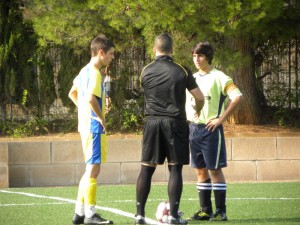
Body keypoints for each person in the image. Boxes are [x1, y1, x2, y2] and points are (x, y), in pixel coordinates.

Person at [134, 33, 205, 225]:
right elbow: (199, 97)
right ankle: (173, 216)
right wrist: (197, 112)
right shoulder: (182, 70)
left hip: (152, 123)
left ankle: (139, 215)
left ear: (154, 50)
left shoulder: (145, 70)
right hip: (175, 123)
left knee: (146, 169)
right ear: (172, 50)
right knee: (175, 169)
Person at [186, 42, 242, 221]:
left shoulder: (220, 77)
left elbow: (237, 96)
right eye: (194, 55)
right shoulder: (192, 78)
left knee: (214, 170)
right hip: (194, 129)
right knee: (200, 171)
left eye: (200, 55)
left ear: (208, 57)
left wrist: (221, 119)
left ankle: (220, 211)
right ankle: (205, 210)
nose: (196, 59)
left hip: (211, 131)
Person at [68, 34, 115, 225]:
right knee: (94, 170)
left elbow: (72, 93)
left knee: (89, 170)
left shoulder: (83, 71)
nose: (112, 58)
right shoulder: (95, 73)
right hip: (94, 128)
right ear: (101, 52)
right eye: (111, 54)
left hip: (85, 126)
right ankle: (90, 215)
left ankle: (79, 213)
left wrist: (86, 111)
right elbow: (89, 99)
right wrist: (100, 117)